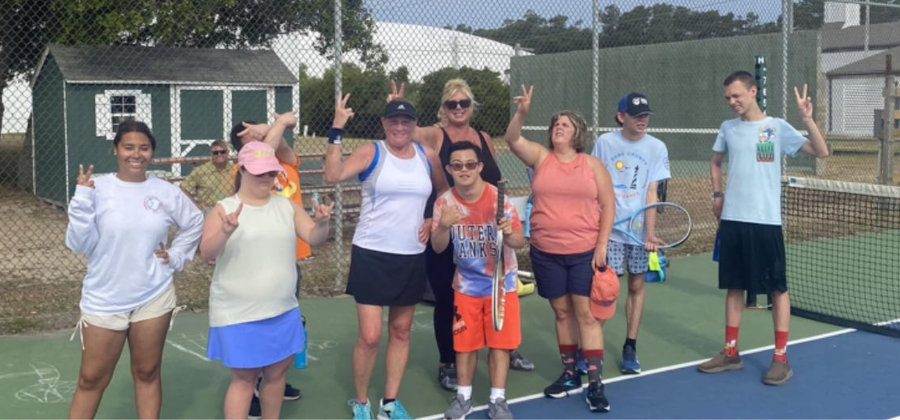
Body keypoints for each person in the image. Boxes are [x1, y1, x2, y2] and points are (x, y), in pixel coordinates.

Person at [388, 79, 535, 393]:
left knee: (495, 294)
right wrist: (396, 106)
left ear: (471, 107)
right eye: (451, 104)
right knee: (449, 298)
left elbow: (494, 178)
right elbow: (402, 132)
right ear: (443, 107)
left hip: (486, 234)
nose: (458, 109)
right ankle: (448, 363)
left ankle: (505, 349)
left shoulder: (482, 138)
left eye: (464, 103)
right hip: (448, 226)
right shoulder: (433, 134)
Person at [65, 120, 204, 419]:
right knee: (91, 379)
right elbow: (79, 243)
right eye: (129, 147)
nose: (136, 154)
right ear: (116, 149)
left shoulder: (164, 191)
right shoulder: (96, 188)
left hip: (153, 295)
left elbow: (194, 221)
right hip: (105, 298)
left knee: (147, 372)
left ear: (152, 153)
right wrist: (81, 200)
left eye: (144, 148)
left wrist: (176, 255)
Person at [323, 94, 447, 420]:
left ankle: (389, 403)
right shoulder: (371, 152)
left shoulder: (427, 156)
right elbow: (332, 175)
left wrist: (432, 218)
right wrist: (337, 128)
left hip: (411, 255)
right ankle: (362, 402)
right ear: (384, 124)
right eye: (394, 121)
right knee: (370, 336)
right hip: (372, 254)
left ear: (414, 125)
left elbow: (444, 193)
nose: (400, 127)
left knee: (401, 331)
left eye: (406, 121)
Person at [701, 71, 828, 385]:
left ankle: (780, 359)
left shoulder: (777, 127)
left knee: (776, 288)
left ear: (753, 90)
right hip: (733, 219)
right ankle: (731, 352)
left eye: (736, 95)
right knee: (734, 285)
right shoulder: (727, 129)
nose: (732, 102)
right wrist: (718, 195)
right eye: (727, 97)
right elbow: (715, 162)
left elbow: (821, 151)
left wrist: (808, 119)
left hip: (765, 221)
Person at [503, 85, 616, 413]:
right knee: (562, 312)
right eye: (555, 124)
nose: (558, 127)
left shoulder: (592, 165)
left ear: (577, 132)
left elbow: (608, 206)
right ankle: (570, 374)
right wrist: (522, 113)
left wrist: (602, 244)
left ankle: (595, 383)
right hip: (546, 252)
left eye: (565, 124)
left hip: (584, 252)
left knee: (587, 316)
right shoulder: (541, 157)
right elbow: (512, 139)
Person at [200, 141, 332, 419]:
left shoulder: (286, 206)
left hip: (282, 309)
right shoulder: (224, 209)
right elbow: (207, 253)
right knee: (244, 380)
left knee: (275, 376)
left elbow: (314, 238)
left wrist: (322, 224)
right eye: (259, 172)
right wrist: (225, 231)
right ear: (242, 169)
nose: (267, 178)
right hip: (238, 313)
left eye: (271, 172)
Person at [431, 141, 526, 420]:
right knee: (464, 345)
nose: (464, 171)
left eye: (470, 165)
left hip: (501, 285)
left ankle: (498, 399)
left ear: (480, 167)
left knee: (500, 345)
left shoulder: (499, 200)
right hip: (467, 286)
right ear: (449, 169)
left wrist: (508, 232)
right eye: (457, 166)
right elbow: (437, 247)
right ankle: (464, 397)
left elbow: (519, 241)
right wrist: (445, 225)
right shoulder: (444, 203)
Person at [229, 113, 308, 412]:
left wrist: (271, 130)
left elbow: (279, 149)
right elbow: (263, 151)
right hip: (257, 260)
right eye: (250, 139)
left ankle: (272, 381)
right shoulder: (244, 171)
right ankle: (249, 393)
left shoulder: (282, 164)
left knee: (280, 327)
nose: (260, 143)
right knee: (255, 330)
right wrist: (273, 127)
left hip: (287, 260)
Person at [591, 93, 671, 375]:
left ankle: (630, 347)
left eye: (645, 115)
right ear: (621, 116)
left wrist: (650, 233)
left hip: (638, 234)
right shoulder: (605, 143)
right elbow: (595, 183)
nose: (643, 120)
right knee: (605, 290)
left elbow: (652, 191)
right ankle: (590, 351)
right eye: (637, 115)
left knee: (637, 286)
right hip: (609, 231)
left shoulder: (657, 147)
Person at [180, 140, 235, 212]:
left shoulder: (234, 169)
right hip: (209, 209)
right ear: (211, 154)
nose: (219, 154)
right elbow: (183, 188)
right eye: (215, 153)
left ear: (227, 153)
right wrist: (196, 203)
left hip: (229, 208)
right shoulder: (201, 170)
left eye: (222, 152)